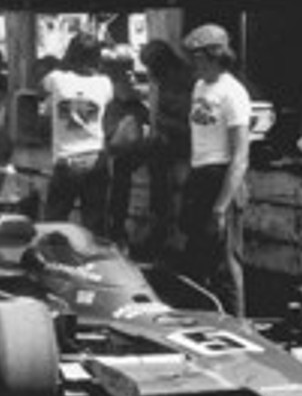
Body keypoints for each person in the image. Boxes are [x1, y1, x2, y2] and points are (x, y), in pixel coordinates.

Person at [180, 23, 251, 319]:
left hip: (222, 178)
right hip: (200, 175)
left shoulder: (233, 93)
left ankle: (236, 322)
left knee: (226, 263)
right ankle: (203, 318)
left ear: (214, 56)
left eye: (198, 57)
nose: (193, 63)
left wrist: (221, 206)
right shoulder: (199, 87)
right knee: (197, 257)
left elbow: (240, 156)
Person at [40, 32, 113, 234]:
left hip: (67, 160)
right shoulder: (105, 84)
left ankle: (54, 260)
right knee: (95, 223)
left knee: (55, 222)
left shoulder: (55, 79)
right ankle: (96, 263)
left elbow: (41, 87)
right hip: (95, 158)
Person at [138, 39, 195, 255]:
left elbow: (187, 119)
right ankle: (157, 226)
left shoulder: (184, 79)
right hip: (168, 142)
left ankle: (170, 233)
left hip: (186, 142)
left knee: (175, 185)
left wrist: (162, 122)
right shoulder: (164, 80)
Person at [101, 47, 151, 247]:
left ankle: (117, 229)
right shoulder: (110, 89)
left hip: (122, 154)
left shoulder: (128, 95)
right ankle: (116, 229)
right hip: (111, 151)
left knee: (119, 183)